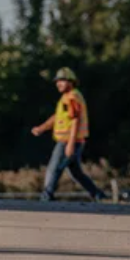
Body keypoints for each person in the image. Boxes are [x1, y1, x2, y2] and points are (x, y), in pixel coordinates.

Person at [32, 67, 107, 203]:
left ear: (70, 82)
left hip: (68, 141)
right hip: (72, 141)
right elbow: (57, 117)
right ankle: (98, 195)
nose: (58, 84)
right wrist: (42, 128)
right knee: (76, 173)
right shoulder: (67, 98)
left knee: (54, 168)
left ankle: (46, 196)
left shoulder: (72, 97)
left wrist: (71, 143)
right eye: (57, 82)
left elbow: (75, 119)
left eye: (61, 81)